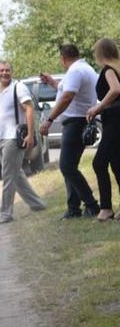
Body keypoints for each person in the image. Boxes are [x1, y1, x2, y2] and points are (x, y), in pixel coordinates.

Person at [40, 44, 100, 219]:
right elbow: (67, 90)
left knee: (66, 166)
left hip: (75, 122)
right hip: (80, 120)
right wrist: (52, 83)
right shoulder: (84, 68)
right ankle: (73, 208)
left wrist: (49, 119)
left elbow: (67, 97)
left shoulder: (75, 71)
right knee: (70, 166)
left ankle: (92, 204)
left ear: (63, 58)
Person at [0, 61, 46, 224]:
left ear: (12, 72)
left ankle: (6, 214)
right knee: (16, 174)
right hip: (2, 137)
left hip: (14, 137)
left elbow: (29, 108)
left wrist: (31, 135)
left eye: (7, 70)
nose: (4, 73)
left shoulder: (18, 87)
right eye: (1, 70)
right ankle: (37, 204)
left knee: (8, 175)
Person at [87, 38, 120, 221]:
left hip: (114, 120)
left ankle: (106, 208)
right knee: (117, 163)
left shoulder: (108, 70)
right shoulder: (118, 67)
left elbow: (115, 90)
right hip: (115, 120)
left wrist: (97, 108)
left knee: (99, 163)